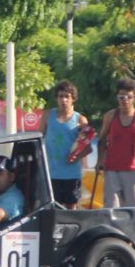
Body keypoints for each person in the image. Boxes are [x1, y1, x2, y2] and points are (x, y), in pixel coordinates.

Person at [96, 78, 135, 208]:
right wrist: (100, 161)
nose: (124, 99)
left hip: (133, 170)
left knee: (133, 207)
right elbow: (102, 140)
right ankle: (112, 229)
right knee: (111, 207)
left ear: (134, 97)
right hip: (111, 169)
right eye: (121, 96)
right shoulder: (110, 116)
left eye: (128, 96)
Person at [39, 80, 89, 209]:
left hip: (72, 174)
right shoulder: (47, 115)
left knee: (71, 208)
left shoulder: (80, 120)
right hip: (51, 173)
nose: (64, 100)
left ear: (73, 99)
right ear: (57, 98)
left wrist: (76, 156)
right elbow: (38, 140)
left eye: (67, 96)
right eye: (61, 96)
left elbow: (87, 148)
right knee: (53, 208)